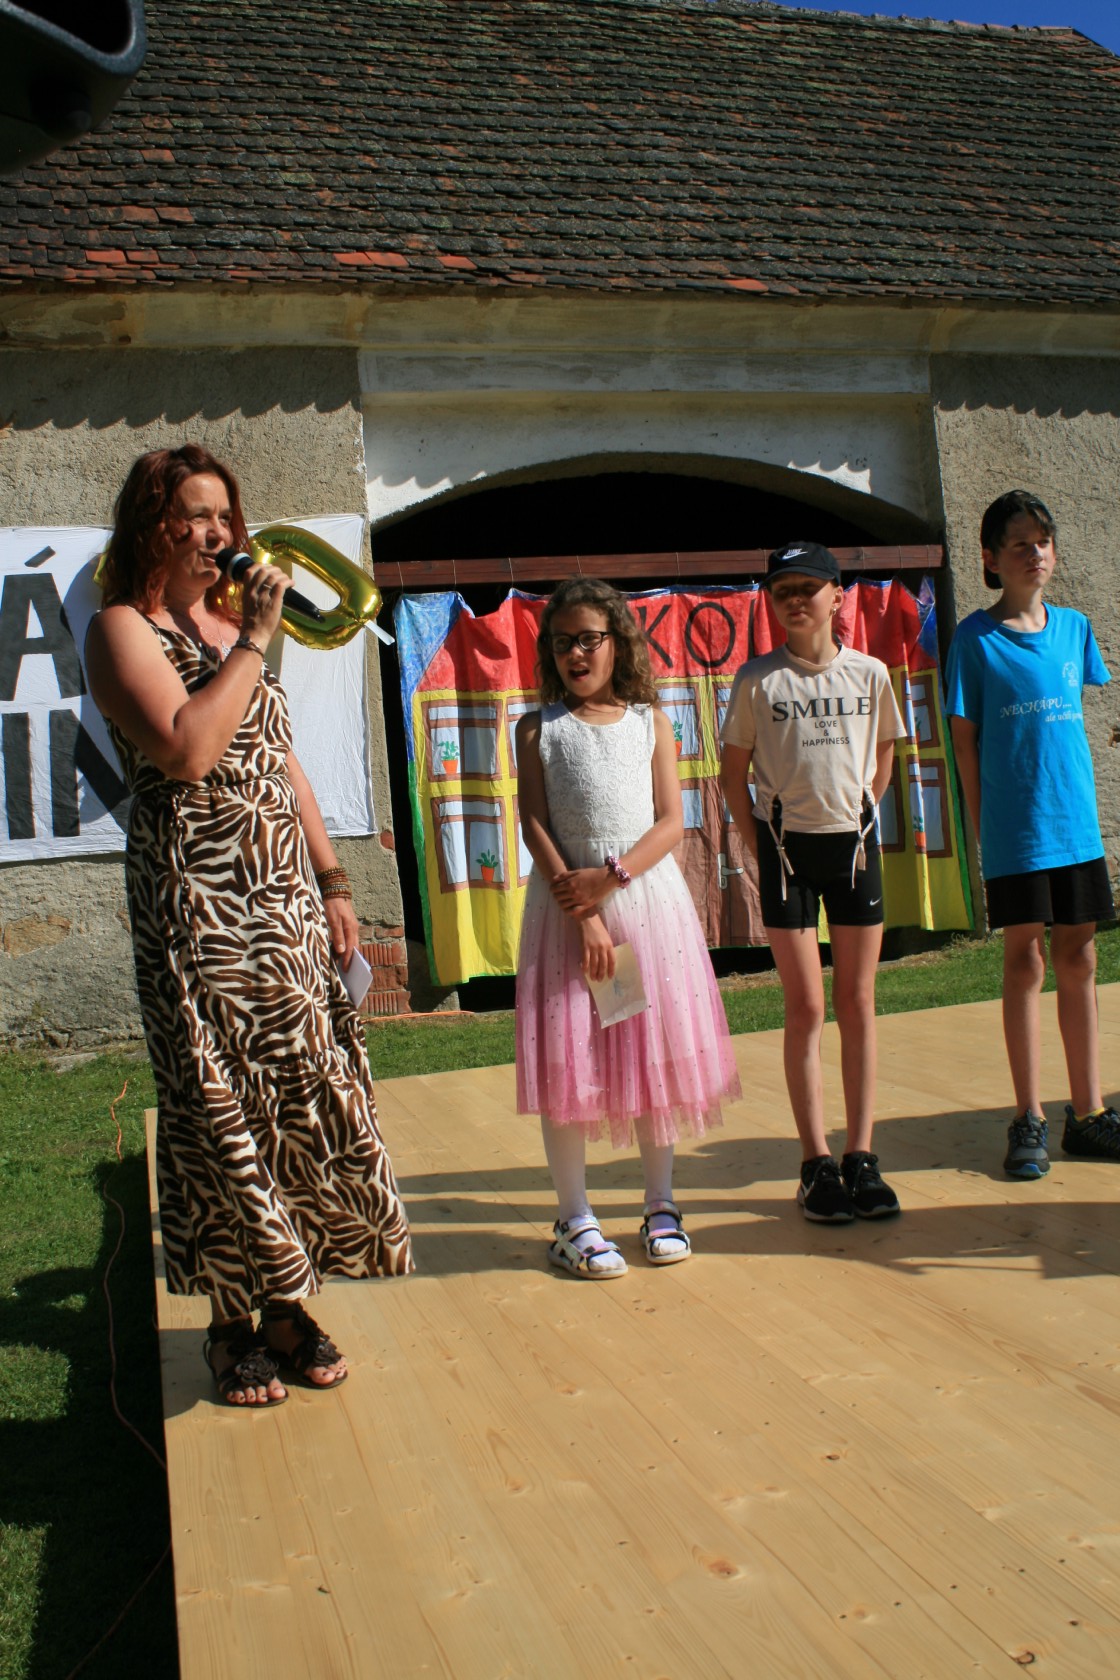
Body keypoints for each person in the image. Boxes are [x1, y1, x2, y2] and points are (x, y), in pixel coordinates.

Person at [85, 444, 413, 1408]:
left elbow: (279, 755)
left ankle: (286, 1303)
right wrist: (255, 642)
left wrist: (333, 877)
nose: (217, 534)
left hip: (281, 898)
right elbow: (189, 750)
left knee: (297, 1092)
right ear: (150, 524)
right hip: (198, 901)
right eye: (193, 514)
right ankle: (233, 1323)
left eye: (225, 516)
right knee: (216, 1098)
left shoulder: (232, 627)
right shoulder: (120, 628)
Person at [515, 577, 740, 1277]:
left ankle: (661, 1204)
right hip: (567, 919)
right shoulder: (537, 728)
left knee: (653, 1055)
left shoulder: (652, 724)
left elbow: (671, 823)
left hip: (645, 908)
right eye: (563, 642)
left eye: (590, 638)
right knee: (570, 1061)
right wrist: (582, 911)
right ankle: (574, 1217)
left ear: (617, 643)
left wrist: (610, 880)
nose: (576, 653)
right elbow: (534, 823)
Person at [719, 542, 907, 1223]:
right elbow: (731, 776)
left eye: (809, 587)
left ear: (838, 596)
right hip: (786, 855)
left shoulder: (870, 674)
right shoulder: (757, 680)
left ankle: (861, 1156)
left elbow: (884, 750)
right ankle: (815, 1163)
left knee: (857, 1001)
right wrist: (761, 847)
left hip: (853, 851)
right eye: (783, 591)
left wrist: (864, 811)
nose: (796, 599)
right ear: (770, 603)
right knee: (805, 1008)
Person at [945, 489, 1119, 1179]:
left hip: (1076, 830)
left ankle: (1090, 1113)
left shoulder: (1075, 629)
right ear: (991, 559)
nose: (1034, 553)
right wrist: (982, 827)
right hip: (1017, 834)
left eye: (1042, 541)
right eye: (1019, 543)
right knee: (1025, 962)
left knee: (1080, 959)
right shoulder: (974, 640)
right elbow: (965, 744)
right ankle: (1028, 1118)